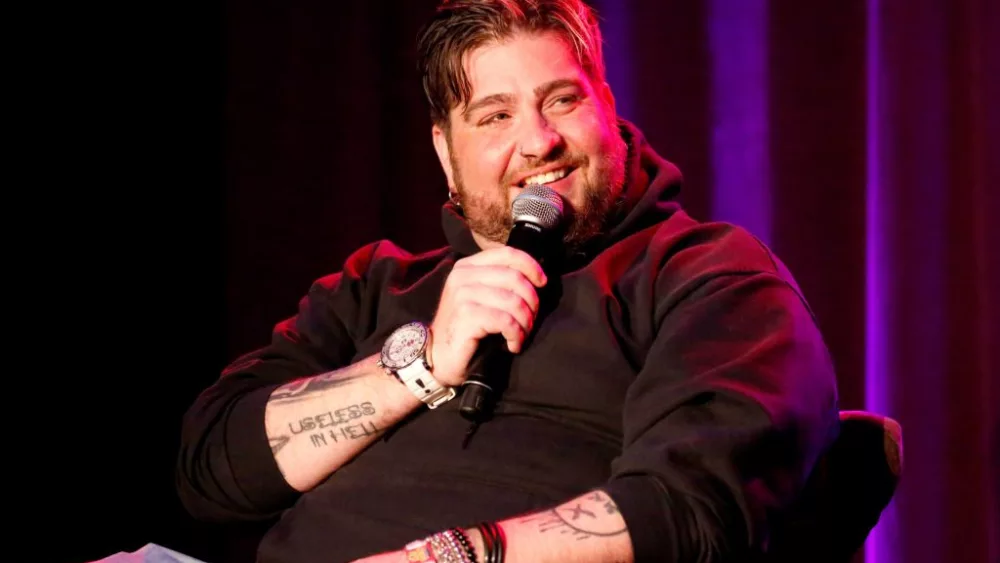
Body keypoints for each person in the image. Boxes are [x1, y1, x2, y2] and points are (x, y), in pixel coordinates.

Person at [176, 1, 841, 562]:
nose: (538, 141)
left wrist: (450, 555)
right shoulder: (374, 286)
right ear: (445, 150)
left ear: (607, 106)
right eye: (495, 115)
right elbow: (212, 470)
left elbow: (693, 505)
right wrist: (419, 365)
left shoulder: (707, 275)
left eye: (562, 100)